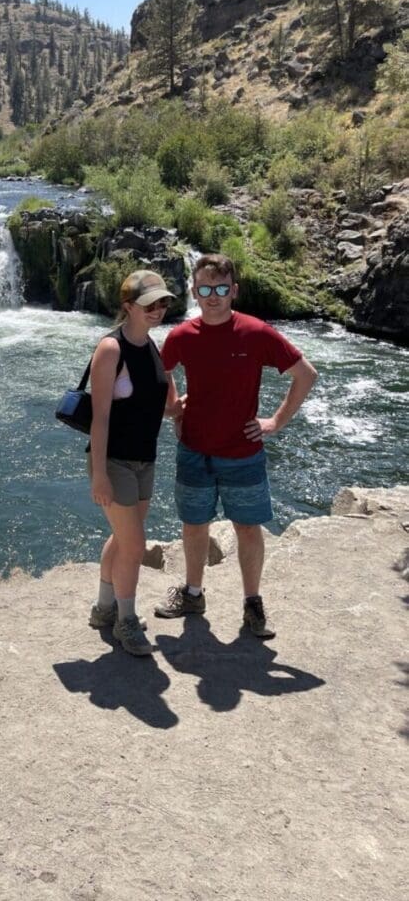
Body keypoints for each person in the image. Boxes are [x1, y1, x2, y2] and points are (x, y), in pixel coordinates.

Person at [156, 253, 318, 638]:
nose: (214, 296)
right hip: (194, 450)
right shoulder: (181, 336)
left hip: (243, 455)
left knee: (248, 529)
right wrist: (172, 409)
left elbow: (305, 375)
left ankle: (253, 604)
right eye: (206, 289)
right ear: (194, 291)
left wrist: (275, 422)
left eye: (222, 288)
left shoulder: (257, 332)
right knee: (194, 525)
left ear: (234, 291)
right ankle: (193, 593)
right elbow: (159, 372)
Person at [87, 269, 180, 656]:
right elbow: (101, 416)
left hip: (146, 459)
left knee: (125, 538)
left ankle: (104, 609)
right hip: (115, 461)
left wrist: (193, 405)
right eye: (148, 304)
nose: (157, 310)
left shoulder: (154, 348)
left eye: (162, 303)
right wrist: (99, 476)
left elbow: (169, 406)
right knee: (135, 544)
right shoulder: (111, 349)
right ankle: (126, 621)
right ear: (128, 307)